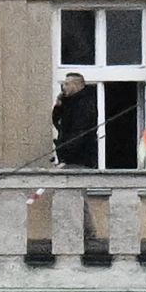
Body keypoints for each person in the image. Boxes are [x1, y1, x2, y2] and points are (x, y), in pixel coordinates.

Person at [51, 72, 98, 237]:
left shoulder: (84, 104)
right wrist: (58, 106)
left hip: (80, 157)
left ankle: (87, 233)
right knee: (74, 197)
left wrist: (66, 156)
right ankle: (82, 232)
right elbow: (59, 124)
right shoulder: (70, 103)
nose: (63, 87)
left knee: (77, 197)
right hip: (70, 156)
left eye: (66, 84)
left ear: (76, 85)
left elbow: (79, 134)